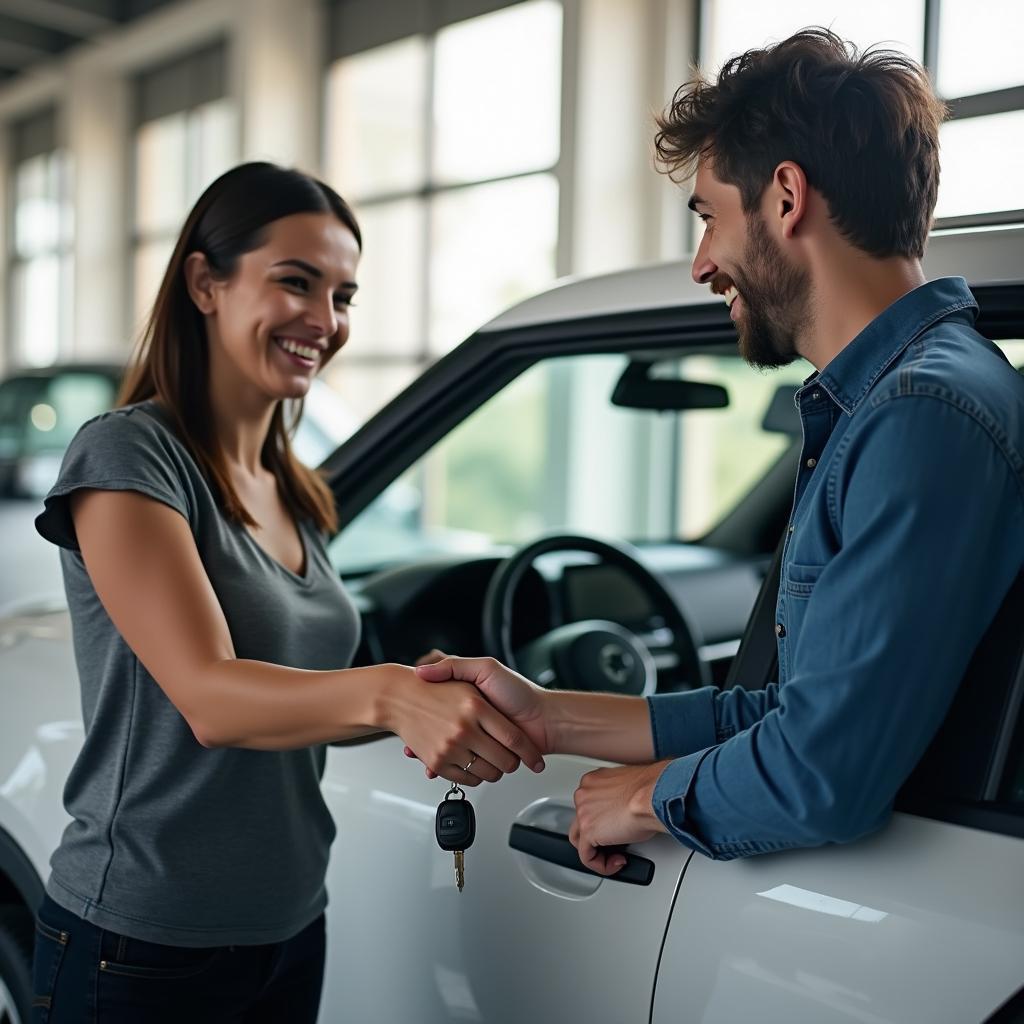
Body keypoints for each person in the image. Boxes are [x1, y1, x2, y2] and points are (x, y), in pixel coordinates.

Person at [409, 29, 1024, 874]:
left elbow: (821, 771)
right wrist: (549, 715)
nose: (701, 265)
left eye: (707, 218)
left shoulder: (920, 414)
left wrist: (644, 793)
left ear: (784, 197)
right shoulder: (893, 401)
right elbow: (786, 712)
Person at [31, 162, 543, 1023]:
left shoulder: (292, 488)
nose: (325, 320)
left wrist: (429, 692)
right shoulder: (128, 455)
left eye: (343, 295)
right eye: (295, 283)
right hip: (140, 944)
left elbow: (297, 693)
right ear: (205, 282)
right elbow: (211, 698)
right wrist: (385, 698)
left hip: (288, 925)